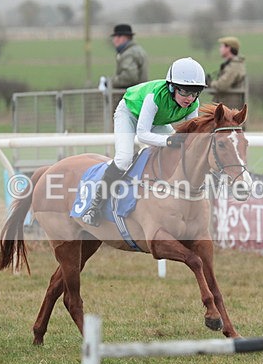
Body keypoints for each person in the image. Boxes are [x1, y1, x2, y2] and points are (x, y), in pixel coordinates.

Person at [81, 57, 207, 227]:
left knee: (176, 153)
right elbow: (142, 135)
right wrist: (169, 141)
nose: (189, 98)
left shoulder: (193, 104)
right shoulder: (154, 96)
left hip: (156, 121)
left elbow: (191, 136)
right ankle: (95, 206)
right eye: (184, 92)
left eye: (195, 93)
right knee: (124, 159)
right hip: (129, 114)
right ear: (172, 87)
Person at [100, 23, 149, 109]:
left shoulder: (128, 53)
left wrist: (109, 82)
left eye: (116, 37)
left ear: (123, 38)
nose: (114, 40)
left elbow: (129, 77)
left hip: (131, 99)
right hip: (140, 96)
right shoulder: (138, 50)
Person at [208, 36, 246, 109]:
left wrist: (210, 83)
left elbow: (222, 85)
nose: (220, 49)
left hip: (230, 109)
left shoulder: (235, 66)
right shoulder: (232, 64)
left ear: (228, 48)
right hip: (226, 108)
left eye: (221, 47)